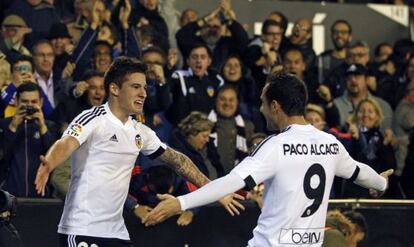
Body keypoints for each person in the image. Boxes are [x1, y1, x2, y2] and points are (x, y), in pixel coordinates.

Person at [143, 73, 393, 247]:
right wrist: (381, 183)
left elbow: (231, 182)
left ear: (275, 106)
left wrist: (181, 202)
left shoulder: (276, 146)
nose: (260, 109)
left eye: (263, 103)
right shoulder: (330, 144)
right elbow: (361, 173)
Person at [34, 56, 243, 247]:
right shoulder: (93, 118)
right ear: (115, 89)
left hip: (117, 233)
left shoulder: (140, 131)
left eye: (144, 87)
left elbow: (178, 161)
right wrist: (49, 163)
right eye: (135, 87)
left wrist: (215, 190)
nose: (143, 93)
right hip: (82, 229)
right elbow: (67, 143)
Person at [0, 83, 58, 197]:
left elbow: (55, 158)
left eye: (34, 102)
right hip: (9, 196)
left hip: (41, 197)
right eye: (25, 102)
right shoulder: (4, 125)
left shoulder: (50, 126)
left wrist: (42, 127)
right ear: (16, 101)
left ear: (41, 102)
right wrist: (12, 128)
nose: (29, 106)